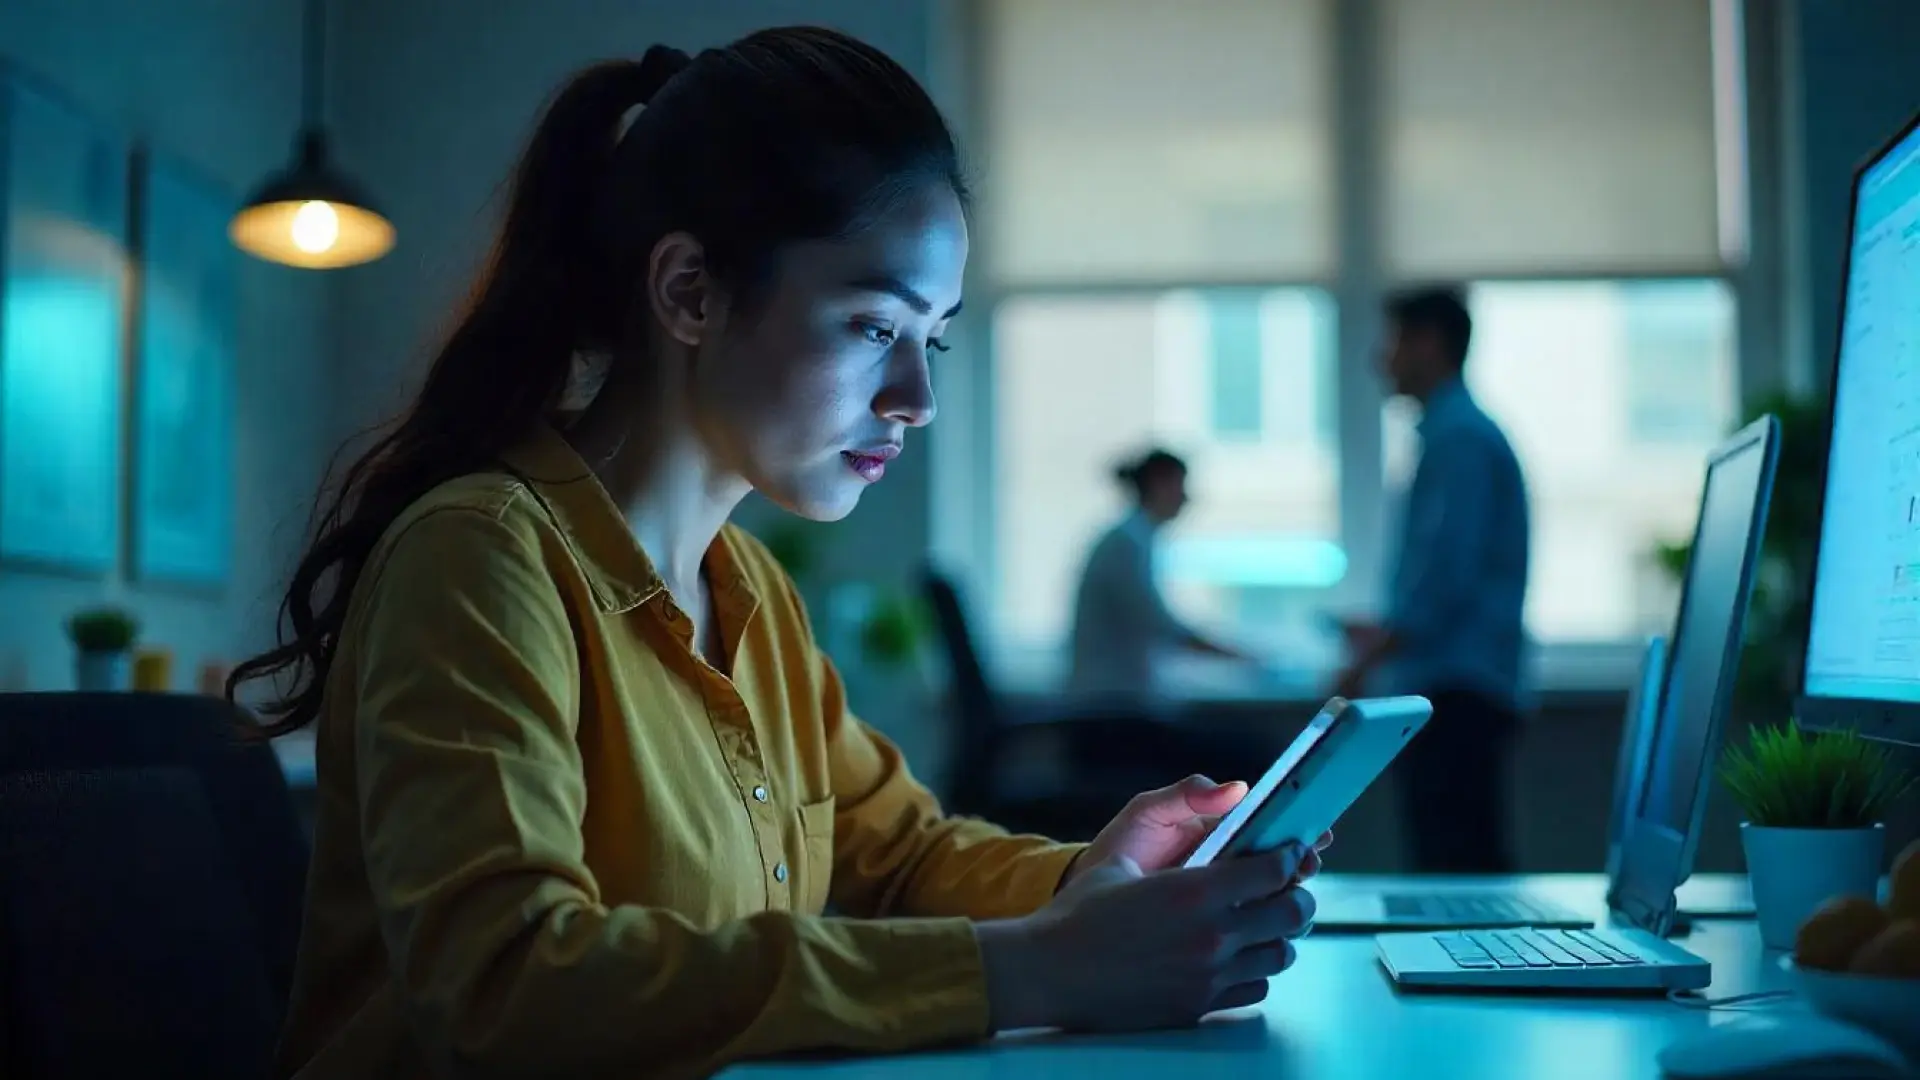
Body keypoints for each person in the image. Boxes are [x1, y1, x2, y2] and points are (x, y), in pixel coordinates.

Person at [228, 30, 1326, 1080]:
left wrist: (1102, 879)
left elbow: (898, 858)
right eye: (871, 327)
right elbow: (506, 989)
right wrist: (1040, 966)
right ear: (689, 292)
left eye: (930, 337)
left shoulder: (746, 588)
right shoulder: (481, 562)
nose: (918, 399)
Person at [1331, 286, 1530, 875]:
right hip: (1455, 681)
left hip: (1456, 687)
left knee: (1457, 865)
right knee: (1457, 860)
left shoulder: (1459, 439)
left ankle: (1476, 971)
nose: (1379, 359)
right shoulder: (1453, 435)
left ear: (1429, 343)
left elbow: (1447, 578)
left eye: (1391, 341)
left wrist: (1372, 655)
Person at [1067, 448, 1256, 700]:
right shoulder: (1125, 544)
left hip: (1119, 693)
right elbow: (1158, 624)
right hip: (1110, 698)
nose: (1186, 497)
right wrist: (1236, 655)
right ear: (1159, 484)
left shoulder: (1135, 539)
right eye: (1180, 485)